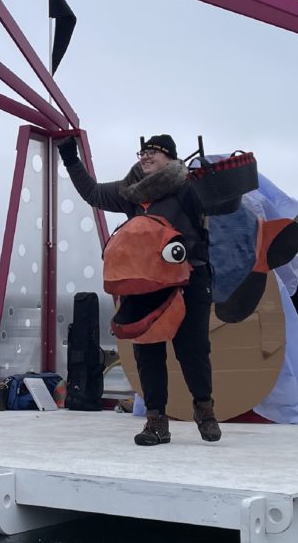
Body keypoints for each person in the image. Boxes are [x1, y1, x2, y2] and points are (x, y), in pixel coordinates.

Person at [58, 133, 221, 447]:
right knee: (148, 353)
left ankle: (204, 409)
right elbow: (92, 192)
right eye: (144, 152)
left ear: (171, 159)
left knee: (193, 350)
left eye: (155, 153)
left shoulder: (187, 188)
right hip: (144, 282)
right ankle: (156, 422)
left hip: (188, 278)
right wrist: (70, 156)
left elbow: (221, 204)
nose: (146, 156)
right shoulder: (130, 193)